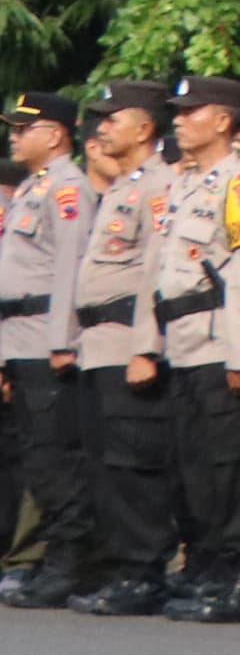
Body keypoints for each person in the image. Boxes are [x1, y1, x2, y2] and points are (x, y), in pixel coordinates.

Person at [144, 74, 240, 624]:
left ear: (223, 120)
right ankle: (215, 569)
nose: (178, 119)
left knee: (233, 466)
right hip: (186, 346)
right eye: (176, 111)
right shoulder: (186, 185)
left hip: (222, 345)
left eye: (191, 110)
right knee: (198, 466)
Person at [62, 81, 177, 617]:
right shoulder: (121, 185)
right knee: (105, 463)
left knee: (134, 464)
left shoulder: (158, 185)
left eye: (112, 118)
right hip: (98, 345)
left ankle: (143, 569)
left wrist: (147, 347)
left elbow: (157, 271)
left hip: (128, 342)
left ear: (144, 128)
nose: (101, 127)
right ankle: (119, 566)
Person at [0, 92, 96, 608]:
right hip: (19, 339)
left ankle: (68, 560)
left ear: (55, 135)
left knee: (57, 458)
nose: (14, 137)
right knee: (37, 458)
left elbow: (68, 269)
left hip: (44, 340)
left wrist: (63, 340)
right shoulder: (32, 189)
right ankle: (52, 557)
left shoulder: (67, 189)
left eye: (22, 129)